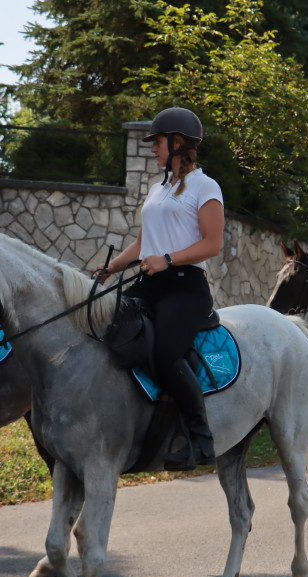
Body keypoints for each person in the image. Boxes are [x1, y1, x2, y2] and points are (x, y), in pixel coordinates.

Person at [94, 107, 223, 471]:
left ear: (178, 144)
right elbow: (143, 242)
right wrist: (113, 267)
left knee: (167, 355)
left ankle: (200, 439)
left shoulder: (205, 186)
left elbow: (212, 244)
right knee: (105, 330)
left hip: (185, 288)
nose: (152, 148)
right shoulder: (158, 189)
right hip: (150, 283)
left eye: (158, 142)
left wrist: (168, 259)